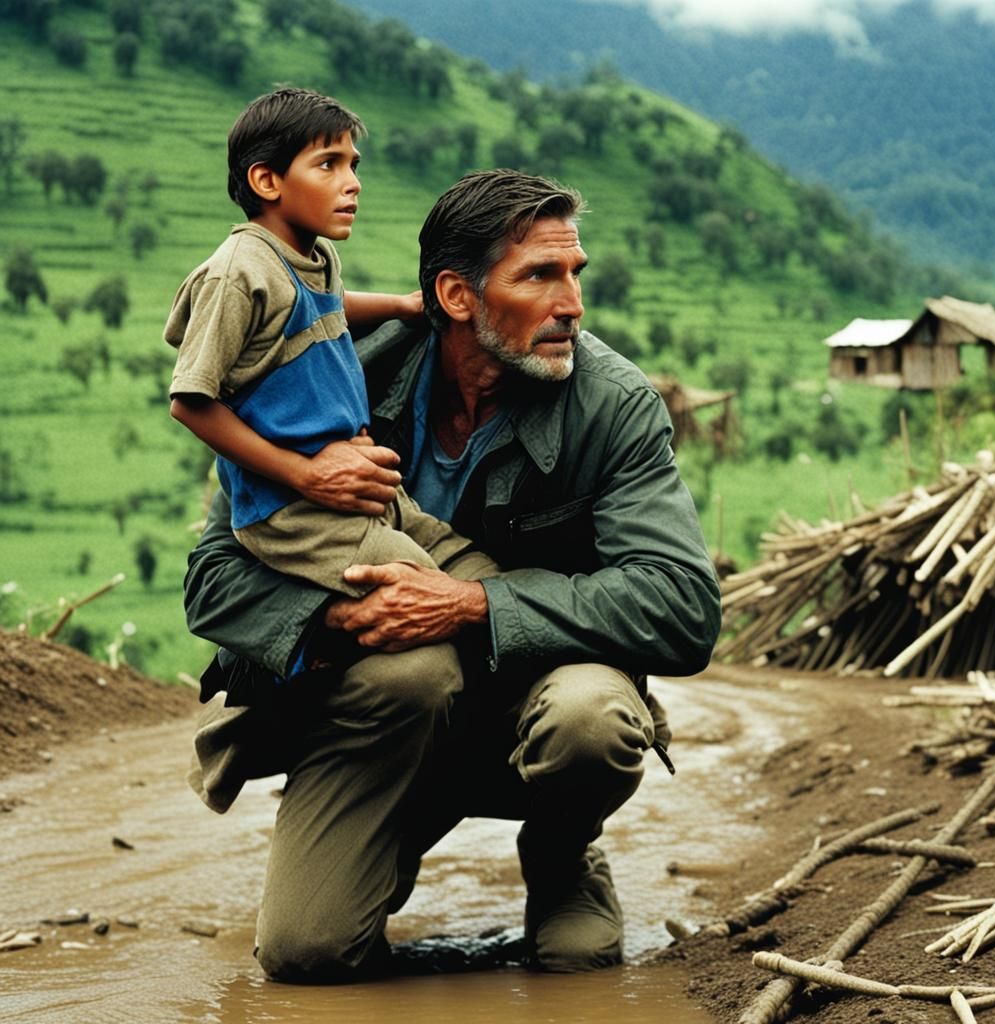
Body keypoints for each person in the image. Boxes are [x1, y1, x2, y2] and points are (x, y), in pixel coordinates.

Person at [183, 169, 722, 981]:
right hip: (387, 711)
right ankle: (380, 837)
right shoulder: (329, 378)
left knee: (592, 719)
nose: (572, 304)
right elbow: (214, 578)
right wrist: (334, 620)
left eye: (575, 274)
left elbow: (682, 606)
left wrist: (470, 604)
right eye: (539, 276)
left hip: (531, 696)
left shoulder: (613, 406)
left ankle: (561, 850)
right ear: (456, 296)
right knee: (307, 954)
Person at [165, 86, 489, 707]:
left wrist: (399, 306)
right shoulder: (239, 272)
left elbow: (325, 304)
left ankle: (603, 686)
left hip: (363, 491)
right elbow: (190, 400)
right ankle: (292, 684)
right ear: (266, 181)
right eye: (328, 164)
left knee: (479, 575)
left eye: (353, 165)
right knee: (426, 595)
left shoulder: (313, 255)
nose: (352, 183)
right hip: (297, 510)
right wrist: (305, 475)